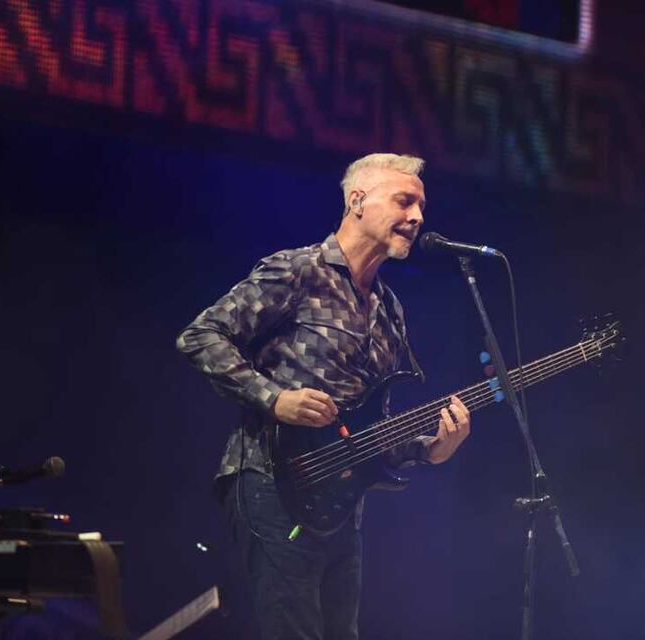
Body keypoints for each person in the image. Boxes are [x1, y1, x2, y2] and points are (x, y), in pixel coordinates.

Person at [176, 153, 471, 640]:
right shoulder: (298, 270)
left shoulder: (390, 310)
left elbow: (373, 428)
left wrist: (431, 449)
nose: (417, 217)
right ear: (358, 201)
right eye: (404, 201)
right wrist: (274, 399)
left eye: (421, 206)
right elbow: (201, 336)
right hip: (271, 481)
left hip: (340, 504)